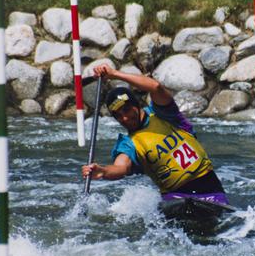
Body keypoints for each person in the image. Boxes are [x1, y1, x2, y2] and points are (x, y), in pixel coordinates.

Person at [81, 65, 229, 205]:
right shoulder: (128, 143)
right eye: (118, 116)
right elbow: (121, 167)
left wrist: (114, 74)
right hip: (176, 198)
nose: (124, 118)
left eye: (126, 110)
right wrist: (103, 171)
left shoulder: (164, 113)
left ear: (136, 104)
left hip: (210, 188)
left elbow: (155, 87)